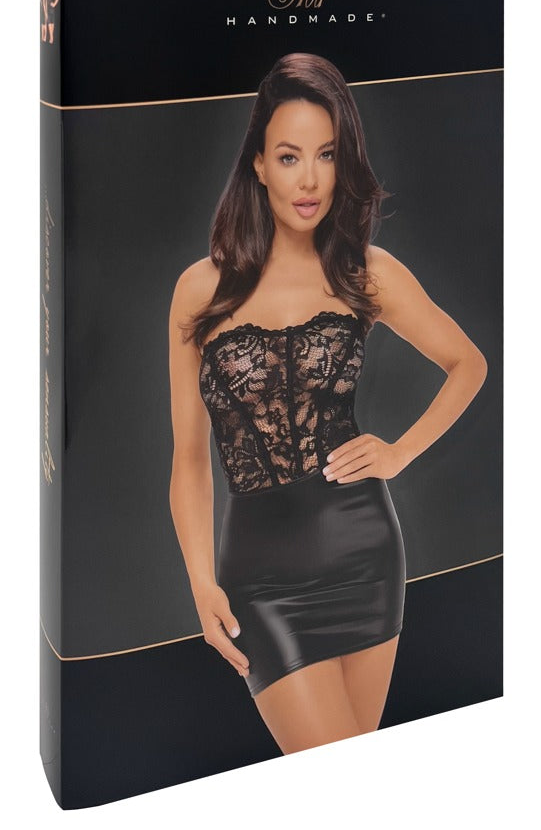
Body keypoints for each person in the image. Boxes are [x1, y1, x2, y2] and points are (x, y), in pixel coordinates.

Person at [168, 52, 487, 755]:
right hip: (258, 576)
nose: (309, 179)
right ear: (258, 164)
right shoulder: (199, 291)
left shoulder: (366, 274)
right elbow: (189, 460)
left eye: (327, 155)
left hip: (365, 553)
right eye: (289, 157)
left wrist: (399, 453)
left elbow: (468, 363)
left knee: (351, 781)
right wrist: (198, 583)